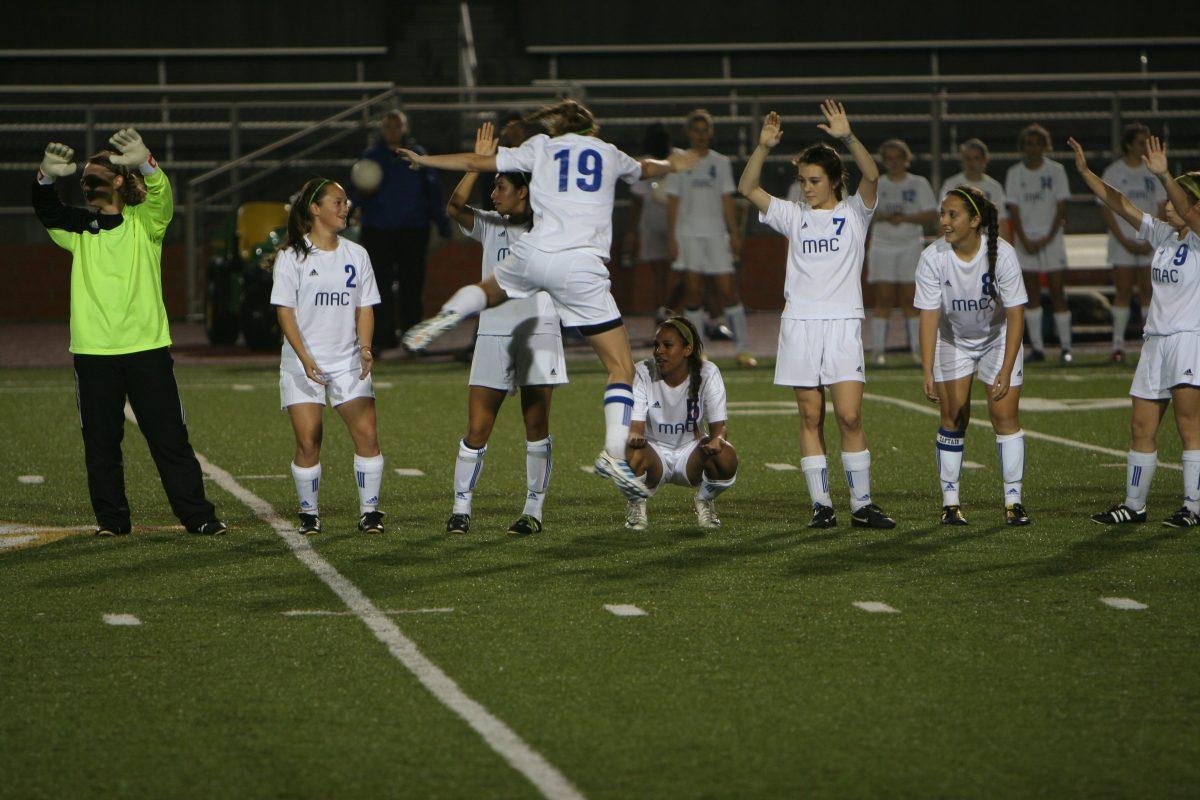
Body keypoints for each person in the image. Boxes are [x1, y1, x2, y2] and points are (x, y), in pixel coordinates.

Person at [397, 99, 698, 501]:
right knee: (621, 367)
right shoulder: (607, 152)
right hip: (581, 265)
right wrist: (675, 164)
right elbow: (647, 169)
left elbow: (479, 160)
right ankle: (612, 452)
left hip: (535, 253)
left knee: (489, 290)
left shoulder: (540, 147)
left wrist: (426, 159)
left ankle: (448, 314)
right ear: (589, 130)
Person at [32, 132, 227, 537]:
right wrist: (44, 180)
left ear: (118, 180)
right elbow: (48, 211)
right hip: (93, 351)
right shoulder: (78, 228)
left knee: (170, 439)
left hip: (147, 349)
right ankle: (112, 521)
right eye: (83, 178)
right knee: (101, 446)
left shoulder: (145, 224)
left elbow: (163, 199)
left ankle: (198, 516)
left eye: (94, 176)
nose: (87, 184)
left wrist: (148, 164)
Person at [738, 101, 896, 530]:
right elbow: (748, 187)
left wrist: (847, 137)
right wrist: (762, 147)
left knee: (849, 416)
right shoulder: (794, 217)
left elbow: (873, 175)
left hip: (843, 325)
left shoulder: (854, 214)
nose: (806, 188)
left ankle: (862, 505)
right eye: (802, 181)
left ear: (833, 180)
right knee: (810, 417)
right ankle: (821, 505)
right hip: (800, 326)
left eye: (814, 181)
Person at [442, 123, 567, 536]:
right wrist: (476, 165)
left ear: (525, 191)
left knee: (536, 428)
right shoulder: (491, 224)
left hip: (538, 334)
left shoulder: (550, 227)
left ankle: (534, 510)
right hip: (493, 334)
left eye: (501, 187)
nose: (493, 195)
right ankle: (461, 508)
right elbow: (454, 206)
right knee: (477, 429)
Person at [1070, 136, 1200, 528]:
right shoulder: (1164, 234)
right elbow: (1120, 203)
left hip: (1188, 340)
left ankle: (1193, 506)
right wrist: (1085, 173)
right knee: (1141, 426)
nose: (1166, 204)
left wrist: (1163, 176)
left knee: (1189, 428)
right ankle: (1134, 505)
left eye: (1177, 198)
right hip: (1156, 341)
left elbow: (1186, 211)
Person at [271, 177, 386, 535]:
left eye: (346, 201)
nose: (345, 207)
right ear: (315, 209)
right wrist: (304, 359)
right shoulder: (291, 257)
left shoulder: (357, 254)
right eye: (337, 202)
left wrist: (365, 348)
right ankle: (309, 513)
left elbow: (365, 307)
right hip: (303, 361)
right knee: (309, 440)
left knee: (367, 434)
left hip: (347, 359)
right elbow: (285, 312)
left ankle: (370, 513)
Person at [915, 186, 1030, 526]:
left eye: (953, 215)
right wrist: (927, 369)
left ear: (975, 220)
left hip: (998, 340)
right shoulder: (932, 257)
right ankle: (950, 504)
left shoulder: (1003, 255)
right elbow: (928, 317)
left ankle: (1013, 502)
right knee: (953, 415)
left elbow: (1016, 315)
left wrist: (1007, 369)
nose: (944, 222)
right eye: (942, 214)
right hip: (953, 341)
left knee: (1004, 415)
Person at [350, 109, 451, 353]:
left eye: (397, 126)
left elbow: (432, 191)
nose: (393, 131)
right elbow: (357, 192)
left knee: (412, 286)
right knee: (379, 287)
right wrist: (359, 198)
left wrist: (441, 221)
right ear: (381, 130)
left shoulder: (417, 155)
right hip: (378, 230)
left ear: (405, 128)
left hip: (413, 229)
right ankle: (382, 337)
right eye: (388, 126)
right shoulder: (371, 157)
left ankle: (413, 338)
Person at [623, 317, 738, 530]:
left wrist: (717, 440)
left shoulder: (707, 372)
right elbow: (636, 427)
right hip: (654, 451)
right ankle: (636, 503)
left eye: (667, 345)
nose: (659, 351)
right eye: (656, 345)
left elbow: (719, 428)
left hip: (691, 451)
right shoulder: (642, 371)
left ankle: (704, 500)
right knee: (628, 449)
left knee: (726, 455)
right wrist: (632, 438)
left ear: (687, 349)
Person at [666, 109, 755, 367]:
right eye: (696, 130)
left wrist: (734, 233)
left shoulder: (721, 162)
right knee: (693, 293)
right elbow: (673, 201)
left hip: (717, 235)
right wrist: (672, 238)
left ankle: (744, 350)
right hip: (688, 235)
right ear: (688, 133)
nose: (701, 135)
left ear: (711, 133)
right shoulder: (679, 162)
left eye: (705, 130)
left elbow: (727, 199)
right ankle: (697, 351)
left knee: (728, 290)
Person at [1099, 123, 1168, 362]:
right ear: (1129, 144)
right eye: (1141, 142)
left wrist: (1152, 236)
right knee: (1123, 291)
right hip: (1122, 241)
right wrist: (1123, 238)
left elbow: (1161, 206)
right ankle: (1117, 345)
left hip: (1149, 239)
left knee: (1149, 291)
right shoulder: (1114, 172)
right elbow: (1108, 208)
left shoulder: (1152, 171)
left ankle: (1149, 342)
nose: (1145, 146)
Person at [1005, 124, 1072, 363]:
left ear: (1046, 146)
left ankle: (1066, 348)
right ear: (1022, 147)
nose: (1033, 148)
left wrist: (1047, 237)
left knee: (1057, 291)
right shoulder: (1015, 173)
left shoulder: (1056, 171)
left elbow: (1061, 207)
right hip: (1026, 239)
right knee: (1030, 293)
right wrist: (1024, 238)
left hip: (1051, 238)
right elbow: (1013, 210)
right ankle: (1038, 348)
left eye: (1038, 143)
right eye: (1029, 143)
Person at [868, 138, 937, 365]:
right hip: (882, 245)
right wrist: (885, 216)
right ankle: (878, 350)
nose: (894, 163)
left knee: (910, 298)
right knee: (884, 297)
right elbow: (865, 212)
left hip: (910, 245)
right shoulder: (877, 183)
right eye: (889, 159)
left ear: (907, 160)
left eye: (899, 158)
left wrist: (904, 218)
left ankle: (917, 350)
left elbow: (930, 214)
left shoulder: (918, 183)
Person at [624, 123, 675, 314]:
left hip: (654, 223)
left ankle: (662, 315)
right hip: (672, 222)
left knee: (660, 276)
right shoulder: (675, 158)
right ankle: (668, 315)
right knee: (673, 275)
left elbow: (636, 204)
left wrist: (631, 232)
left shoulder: (643, 164)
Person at [937, 138, 1009, 242]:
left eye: (976, 158)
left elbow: (1001, 221)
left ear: (984, 160)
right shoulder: (951, 184)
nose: (971, 163)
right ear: (962, 161)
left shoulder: (994, 187)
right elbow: (943, 218)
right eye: (967, 158)